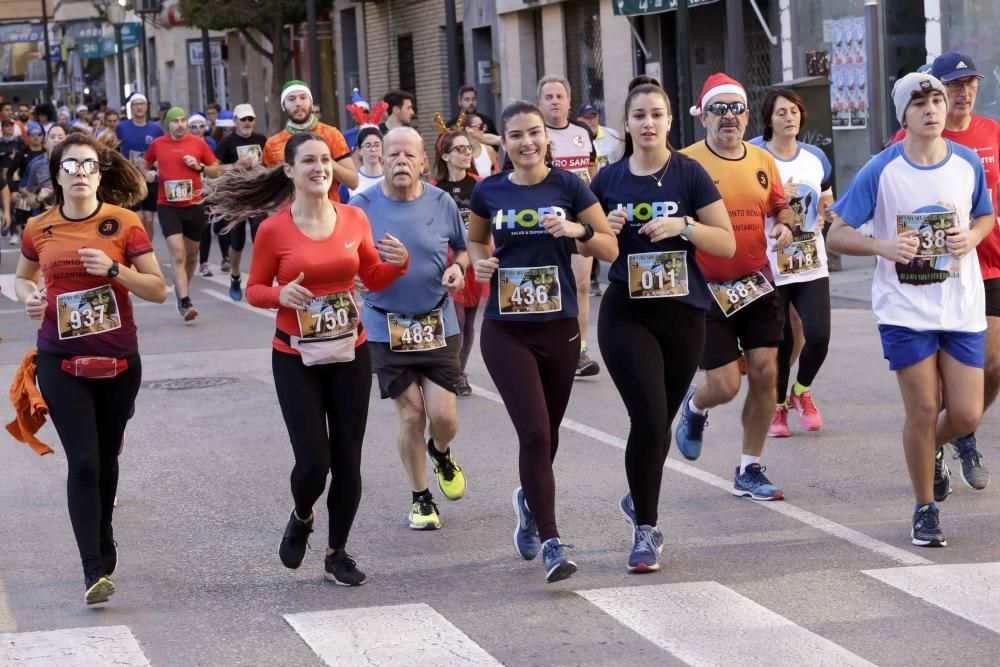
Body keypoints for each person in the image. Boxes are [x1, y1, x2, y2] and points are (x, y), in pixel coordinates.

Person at [204, 132, 410, 584]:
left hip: (349, 350)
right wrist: (283, 294)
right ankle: (302, 515)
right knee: (314, 461)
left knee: (348, 459)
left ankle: (337, 553)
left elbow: (372, 276)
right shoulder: (275, 228)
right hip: (295, 356)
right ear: (290, 171)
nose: (320, 168)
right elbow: (255, 288)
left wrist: (399, 263)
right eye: (310, 162)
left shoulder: (354, 218)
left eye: (326, 161)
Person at [828, 72, 993, 547]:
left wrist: (973, 237)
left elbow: (984, 214)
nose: (931, 109)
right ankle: (925, 508)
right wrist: (883, 246)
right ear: (904, 115)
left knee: (964, 415)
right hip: (905, 308)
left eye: (936, 100)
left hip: (960, 306)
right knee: (923, 408)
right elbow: (837, 233)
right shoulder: (881, 169)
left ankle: (931, 448)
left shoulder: (965, 163)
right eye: (919, 102)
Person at [14, 132, 167, 604]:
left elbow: (158, 289)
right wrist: (32, 299)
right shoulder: (39, 227)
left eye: (88, 166)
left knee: (106, 458)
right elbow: (22, 280)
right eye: (70, 166)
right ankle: (92, 569)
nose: (79, 173)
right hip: (60, 360)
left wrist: (115, 271)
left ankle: (103, 534)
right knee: (83, 460)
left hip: (120, 361)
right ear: (56, 175)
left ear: (100, 174)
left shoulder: (122, 224)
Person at [467, 101, 617, 582]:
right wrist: (480, 263)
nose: (527, 142)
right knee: (533, 432)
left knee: (547, 436)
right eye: (515, 136)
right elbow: (475, 242)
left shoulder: (570, 186)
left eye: (534, 133)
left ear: (545, 138)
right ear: (503, 143)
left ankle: (528, 502)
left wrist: (578, 230)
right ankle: (553, 541)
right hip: (507, 329)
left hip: (560, 328)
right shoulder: (488, 191)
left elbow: (610, 246)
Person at [592, 83, 735, 572]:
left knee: (659, 427)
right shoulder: (606, 179)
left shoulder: (690, 174)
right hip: (626, 313)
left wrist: (684, 227)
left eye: (657, 114)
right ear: (626, 124)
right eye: (638, 115)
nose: (648, 123)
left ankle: (638, 496)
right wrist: (602, 232)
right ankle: (646, 530)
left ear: (671, 121)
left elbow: (726, 244)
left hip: (683, 313)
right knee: (650, 420)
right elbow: (583, 246)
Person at [674, 73, 793, 500]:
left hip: (757, 282)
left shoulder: (763, 161)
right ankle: (695, 406)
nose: (729, 117)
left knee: (765, 373)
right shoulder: (684, 162)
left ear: (746, 115)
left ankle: (749, 466)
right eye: (719, 109)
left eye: (736, 109)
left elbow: (782, 208)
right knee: (724, 384)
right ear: (703, 115)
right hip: (706, 286)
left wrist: (784, 226)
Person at [889, 53, 999, 495]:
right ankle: (936, 443)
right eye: (953, 84)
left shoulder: (992, 133)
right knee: (931, 388)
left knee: (994, 365)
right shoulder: (908, 138)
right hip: (934, 274)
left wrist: (977, 233)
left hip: (989, 264)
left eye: (969, 82)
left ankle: (956, 432)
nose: (962, 91)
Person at [350, 128, 469, 530]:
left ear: (423, 163)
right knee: (411, 414)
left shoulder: (443, 201)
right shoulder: (360, 205)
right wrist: (354, 279)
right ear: (380, 160)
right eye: (393, 154)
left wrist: (457, 268)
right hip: (385, 325)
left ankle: (440, 451)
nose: (401, 161)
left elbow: (463, 250)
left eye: (409, 155)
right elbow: (345, 256)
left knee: (444, 416)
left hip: (436, 321)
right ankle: (421, 497)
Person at [748, 88, 834, 438]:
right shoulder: (753, 155)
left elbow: (826, 198)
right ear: (768, 118)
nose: (790, 117)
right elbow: (742, 204)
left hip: (810, 258)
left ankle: (802, 391)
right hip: (769, 261)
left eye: (795, 111)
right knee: (781, 339)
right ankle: (777, 407)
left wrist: (827, 211)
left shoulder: (815, 157)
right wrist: (781, 196)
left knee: (819, 334)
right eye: (782, 112)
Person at [535, 76, 602, 378]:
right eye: (548, 97)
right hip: (547, 221)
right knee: (550, 284)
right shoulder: (536, 134)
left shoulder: (582, 132)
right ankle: (544, 347)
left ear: (569, 101)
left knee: (582, 284)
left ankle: (579, 351)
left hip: (580, 218)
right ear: (540, 103)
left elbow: (592, 169)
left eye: (559, 96)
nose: (554, 101)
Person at [141, 107, 223, 321]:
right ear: (168, 124)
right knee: (178, 254)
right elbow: (143, 163)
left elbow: (216, 168)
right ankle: (186, 301)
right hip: (168, 206)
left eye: (182, 120)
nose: (179, 124)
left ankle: (181, 290)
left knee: (192, 254)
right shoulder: (158, 144)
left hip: (194, 205)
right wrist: (147, 173)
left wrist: (200, 166)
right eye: (175, 121)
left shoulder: (198, 143)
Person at [431, 130, 487, 397]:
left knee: (468, 324)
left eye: (469, 149)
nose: (466, 154)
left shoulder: (480, 185)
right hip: (446, 262)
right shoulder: (433, 189)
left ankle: (459, 371)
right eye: (460, 149)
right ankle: (454, 373)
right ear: (445, 155)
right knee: (457, 318)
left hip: (474, 258)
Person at [264, 80, 358, 200]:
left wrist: (326, 161)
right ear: (283, 106)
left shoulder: (331, 134)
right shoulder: (272, 144)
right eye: (291, 99)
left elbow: (353, 182)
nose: (298, 103)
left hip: (329, 213)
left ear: (311, 102)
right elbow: (269, 191)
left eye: (303, 97)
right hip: (291, 215)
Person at [213, 103, 267, 301]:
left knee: (261, 238)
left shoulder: (262, 140)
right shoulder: (227, 143)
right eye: (243, 119)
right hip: (236, 198)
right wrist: (235, 165)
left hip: (258, 196)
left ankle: (262, 279)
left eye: (250, 119)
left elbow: (272, 164)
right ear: (235, 121)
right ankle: (235, 276)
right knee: (237, 242)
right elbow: (213, 169)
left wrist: (260, 165)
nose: (247, 123)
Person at [116, 93, 165, 241]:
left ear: (147, 107)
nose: (139, 107)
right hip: (130, 179)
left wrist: (157, 167)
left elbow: (161, 153)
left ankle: (147, 248)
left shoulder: (156, 129)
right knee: (136, 218)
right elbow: (115, 151)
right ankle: (137, 248)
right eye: (135, 104)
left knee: (149, 219)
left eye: (142, 104)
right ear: (131, 107)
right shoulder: (122, 128)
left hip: (150, 179)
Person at [578, 103, 624, 168]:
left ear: (598, 117)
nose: (592, 120)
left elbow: (622, 161)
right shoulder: (575, 139)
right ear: (579, 120)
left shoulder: (612, 135)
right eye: (587, 117)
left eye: (594, 116)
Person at [344, 126, 385, 200]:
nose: (373, 149)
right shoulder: (350, 179)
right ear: (359, 150)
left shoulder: (391, 177)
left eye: (377, 145)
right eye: (368, 145)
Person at [463, 114, 499, 178]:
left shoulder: (489, 151)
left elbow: (496, 176)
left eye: (483, 126)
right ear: (468, 129)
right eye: (481, 126)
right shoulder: (460, 152)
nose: (484, 129)